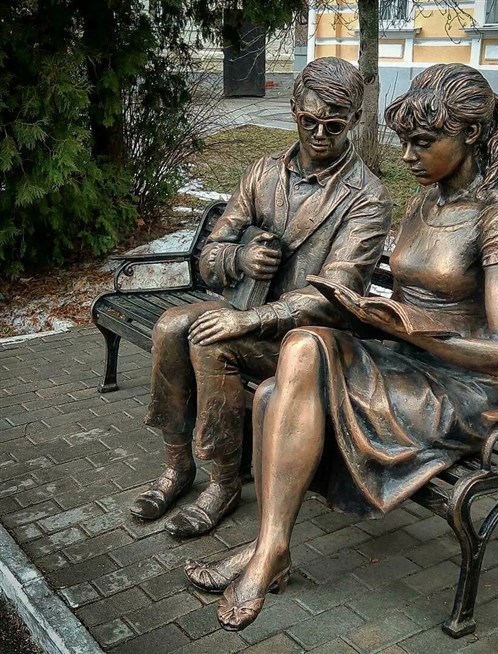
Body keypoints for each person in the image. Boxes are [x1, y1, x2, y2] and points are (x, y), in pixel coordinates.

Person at [187, 62, 498, 631]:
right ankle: (271, 545)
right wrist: (366, 315)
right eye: (405, 142)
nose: (407, 157)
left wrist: (406, 329)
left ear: (470, 134)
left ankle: (268, 552)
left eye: (423, 143)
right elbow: (402, 308)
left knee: (291, 369)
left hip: (461, 391)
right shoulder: (425, 205)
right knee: (285, 372)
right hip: (406, 363)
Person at [130, 57, 392, 538]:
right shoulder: (262, 173)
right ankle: (177, 465)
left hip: (310, 340)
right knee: (170, 325)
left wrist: (246, 322)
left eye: (334, 125)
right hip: (247, 307)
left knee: (212, 343)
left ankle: (223, 482)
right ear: (293, 109)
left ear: (355, 119)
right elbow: (210, 256)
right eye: (309, 120)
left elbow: (335, 296)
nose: (319, 134)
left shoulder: (366, 197)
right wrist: (240, 258)